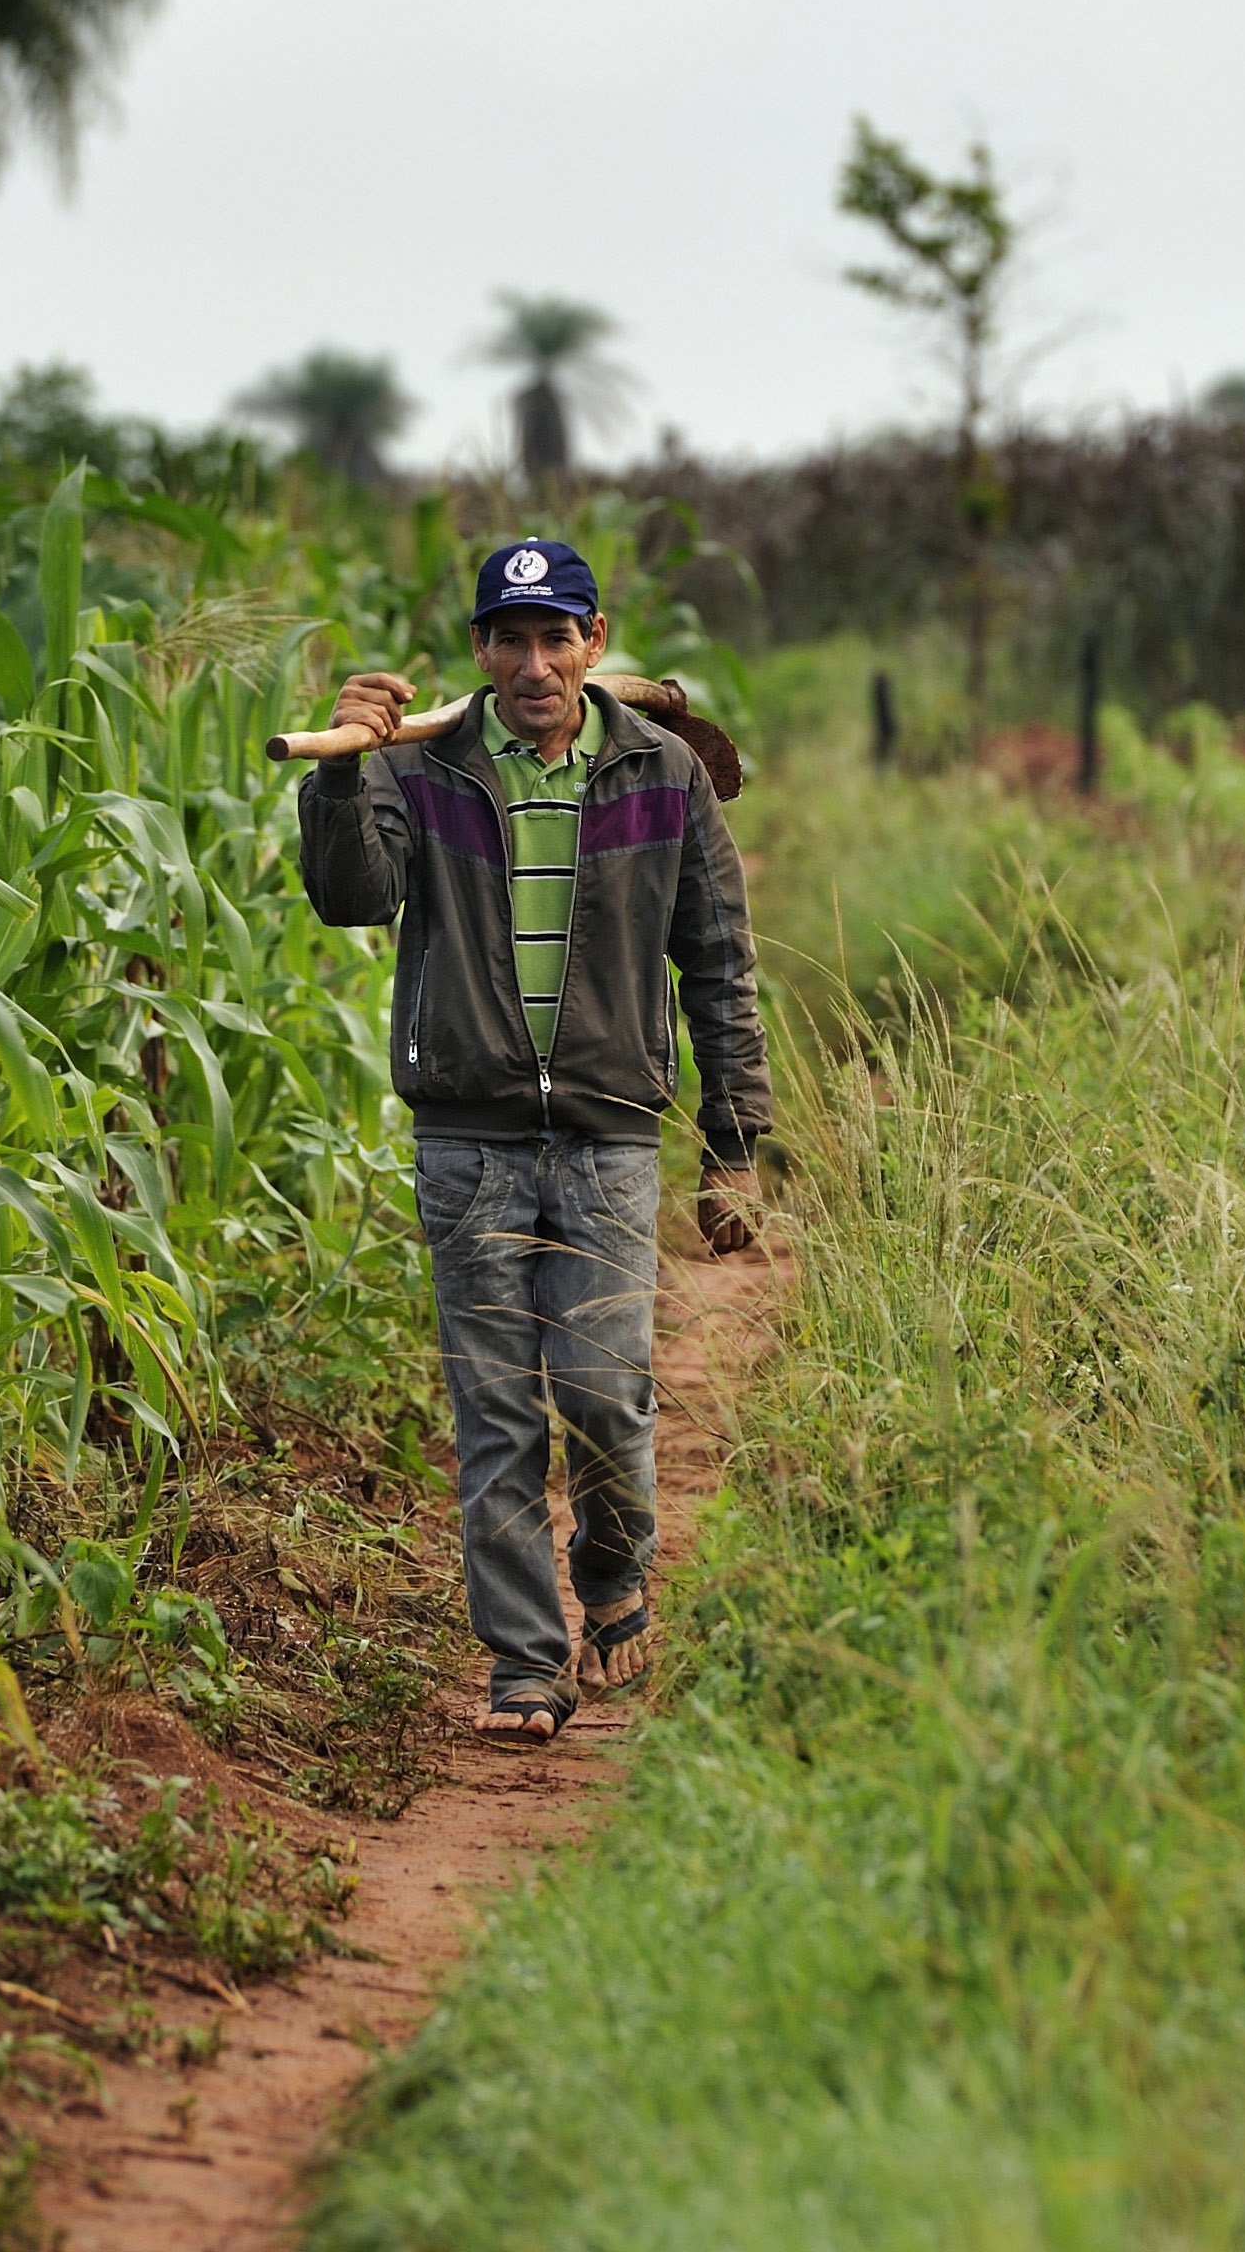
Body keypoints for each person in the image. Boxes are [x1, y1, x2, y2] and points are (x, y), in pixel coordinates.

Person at [299, 537, 770, 1745]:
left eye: (555, 636)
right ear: (479, 652)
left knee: (606, 1396)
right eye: (508, 639)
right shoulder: (426, 770)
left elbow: (718, 964)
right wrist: (343, 769)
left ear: (592, 644)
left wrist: (734, 1146)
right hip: (469, 1142)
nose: (532, 662)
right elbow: (352, 897)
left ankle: (612, 1579)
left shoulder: (662, 773)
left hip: (611, 1144)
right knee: (499, 1412)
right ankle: (522, 1663)